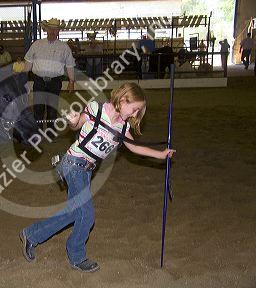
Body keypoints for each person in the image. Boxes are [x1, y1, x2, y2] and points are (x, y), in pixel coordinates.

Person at [19, 82, 176, 273]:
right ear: (124, 99)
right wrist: (72, 120)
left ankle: (31, 235)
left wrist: (160, 154)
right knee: (87, 215)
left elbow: (134, 147)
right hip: (73, 163)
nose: (135, 115)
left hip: (86, 170)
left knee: (73, 212)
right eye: (135, 109)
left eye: (138, 112)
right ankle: (77, 256)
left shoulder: (123, 126)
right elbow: (77, 123)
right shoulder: (97, 109)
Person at [24, 18, 76, 129]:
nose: (52, 31)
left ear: (58, 31)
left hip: (55, 82)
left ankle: (50, 131)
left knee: (52, 109)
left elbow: (70, 65)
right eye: (50, 29)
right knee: (38, 108)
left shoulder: (64, 47)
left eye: (55, 29)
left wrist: (71, 81)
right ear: (46, 29)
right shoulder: (36, 44)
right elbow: (28, 61)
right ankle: (37, 131)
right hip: (39, 81)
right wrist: (23, 79)